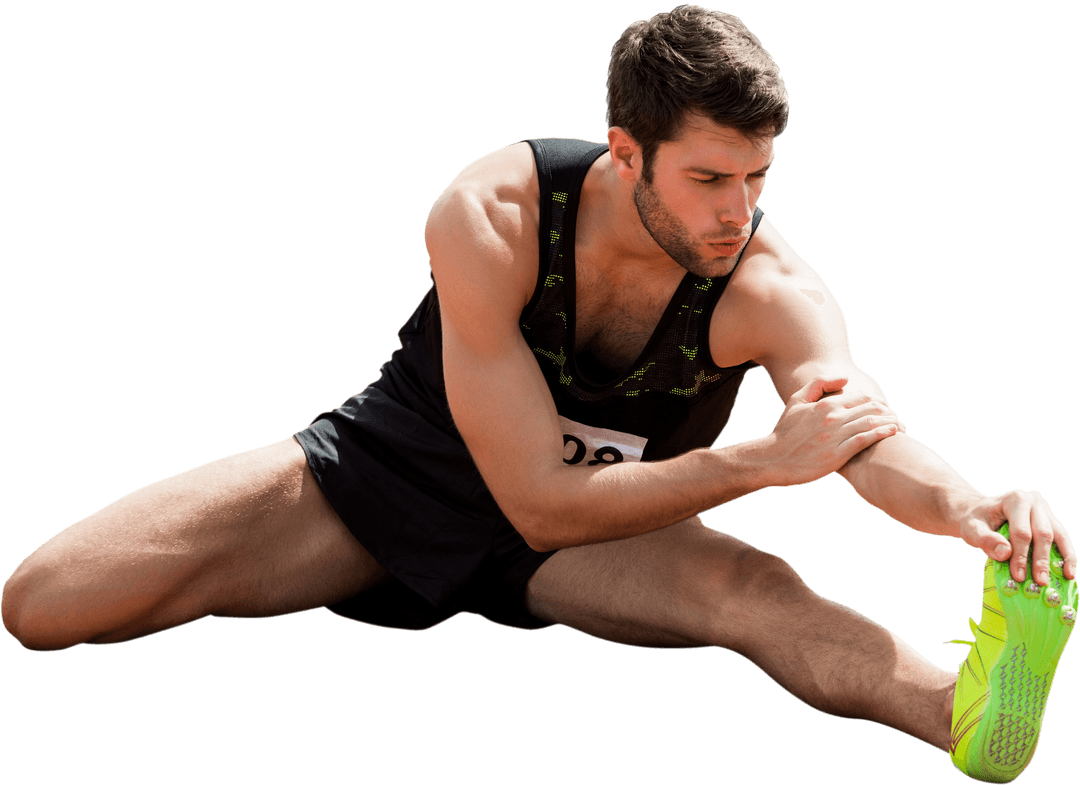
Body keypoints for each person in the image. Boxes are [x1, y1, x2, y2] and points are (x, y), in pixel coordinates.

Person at [2, 5, 1075, 782]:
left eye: (758, 179)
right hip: (394, 472)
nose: (736, 214)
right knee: (41, 603)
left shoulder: (768, 286)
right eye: (708, 178)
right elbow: (533, 496)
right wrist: (752, 461)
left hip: (596, 529)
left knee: (756, 592)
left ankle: (963, 714)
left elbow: (864, 436)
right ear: (626, 150)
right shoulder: (495, 214)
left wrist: (973, 508)